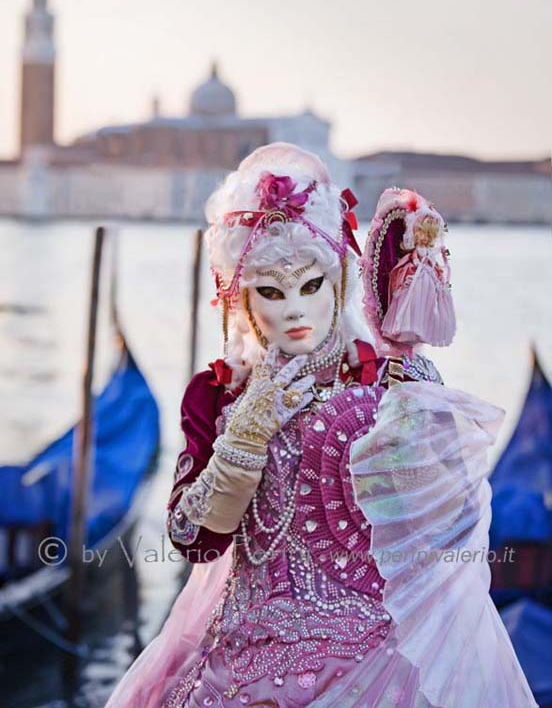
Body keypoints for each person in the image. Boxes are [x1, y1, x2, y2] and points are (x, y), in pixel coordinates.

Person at [105, 143, 536, 707]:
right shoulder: (219, 393)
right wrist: (243, 440)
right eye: (270, 291)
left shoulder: (386, 379)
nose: (292, 310)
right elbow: (193, 540)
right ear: (240, 296)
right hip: (234, 666)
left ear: (338, 284)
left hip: (372, 664)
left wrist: (417, 407)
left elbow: (444, 524)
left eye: (311, 286)